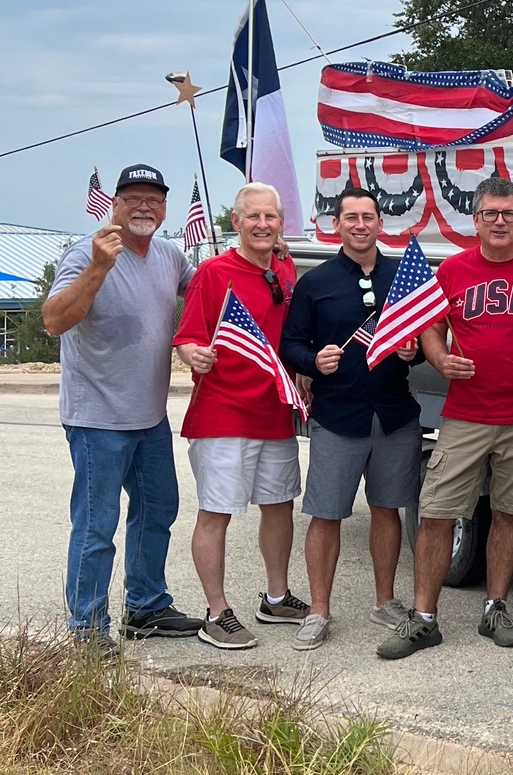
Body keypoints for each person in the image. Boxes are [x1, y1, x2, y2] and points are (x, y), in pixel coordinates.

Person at [388, 174, 513, 661]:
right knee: (436, 512)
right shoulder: (452, 270)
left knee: (511, 514)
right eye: (489, 213)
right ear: (474, 219)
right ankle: (424, 618)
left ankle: (496, 608)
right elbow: (431, 327)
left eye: (508, 213)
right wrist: (441, 360)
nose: (499, 222)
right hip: (466, 414)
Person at [42, 163, 203, 650]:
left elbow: (210, 287)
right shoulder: (86, 255)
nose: (143, 207)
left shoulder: (170, 255)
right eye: (133, 198)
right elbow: (53, 321)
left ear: (165, 209)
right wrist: (97, 268)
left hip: (149, 417)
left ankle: (146, 607)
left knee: (159, 508)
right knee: (96, 525)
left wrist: (264, 254)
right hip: (97, 420)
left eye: (153, 200)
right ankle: (88, 628)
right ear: (114, 205)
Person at [279, 184, 422, 651]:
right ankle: (319, 611)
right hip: (338, 418)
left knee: (388, 509)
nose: (360, 225)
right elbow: (290, 346)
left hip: (394, 415)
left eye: (368, 217)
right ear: (336, 225)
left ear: (381, 224)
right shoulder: (315, 283)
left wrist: (413, 351)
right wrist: (312, 361)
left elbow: (421, 342)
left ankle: (385, 601)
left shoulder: (403, 278)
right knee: (326, 514)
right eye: (351, 217)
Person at [173, 182, 307, 650]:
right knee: (217, 514)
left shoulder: (285, 268)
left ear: (281, 223)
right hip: (223, 415)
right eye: (253, 217)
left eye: (271, 217)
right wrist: (194, 355)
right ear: (236, 222)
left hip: (274, 412)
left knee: (279, 506)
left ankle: (275, 598)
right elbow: (188, 336)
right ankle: (216, 612)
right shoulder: (212, 273)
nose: (263, 225)